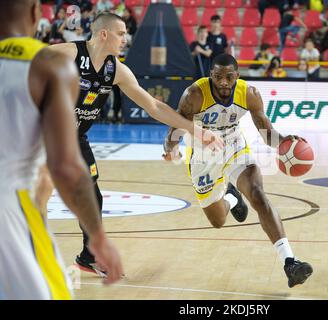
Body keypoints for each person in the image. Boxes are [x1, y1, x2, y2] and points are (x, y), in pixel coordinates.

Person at [35, 12, 223, 277]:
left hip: (75, 137)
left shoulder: (117, 71)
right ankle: (32, 256)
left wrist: (194, 129)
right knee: (39, 193)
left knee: (91, 197)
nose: (126, 38)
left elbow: (154, 105)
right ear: (103, 34)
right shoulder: (68, 54)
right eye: (121, 33)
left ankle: (89, 257)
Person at [0, 0, 123, 299]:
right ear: (34, 14)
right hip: (9, 208)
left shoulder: (110, 68)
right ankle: (88, 254)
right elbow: (66, 168)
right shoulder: (48, 65)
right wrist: (99, 238)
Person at [163, 54, 313, 288]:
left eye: (229, 77)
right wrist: (170, 149)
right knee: (218, 221)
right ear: (210, 75)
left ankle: (290, 263)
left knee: (258, 195)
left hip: (234, 146)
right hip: (203, 155)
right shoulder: (195, 94)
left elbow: (266, 132)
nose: (223, 82)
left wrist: (284, 141)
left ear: (237, 76)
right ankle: (232, 198)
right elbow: (176, 126)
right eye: (218, 77)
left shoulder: (249, 93)